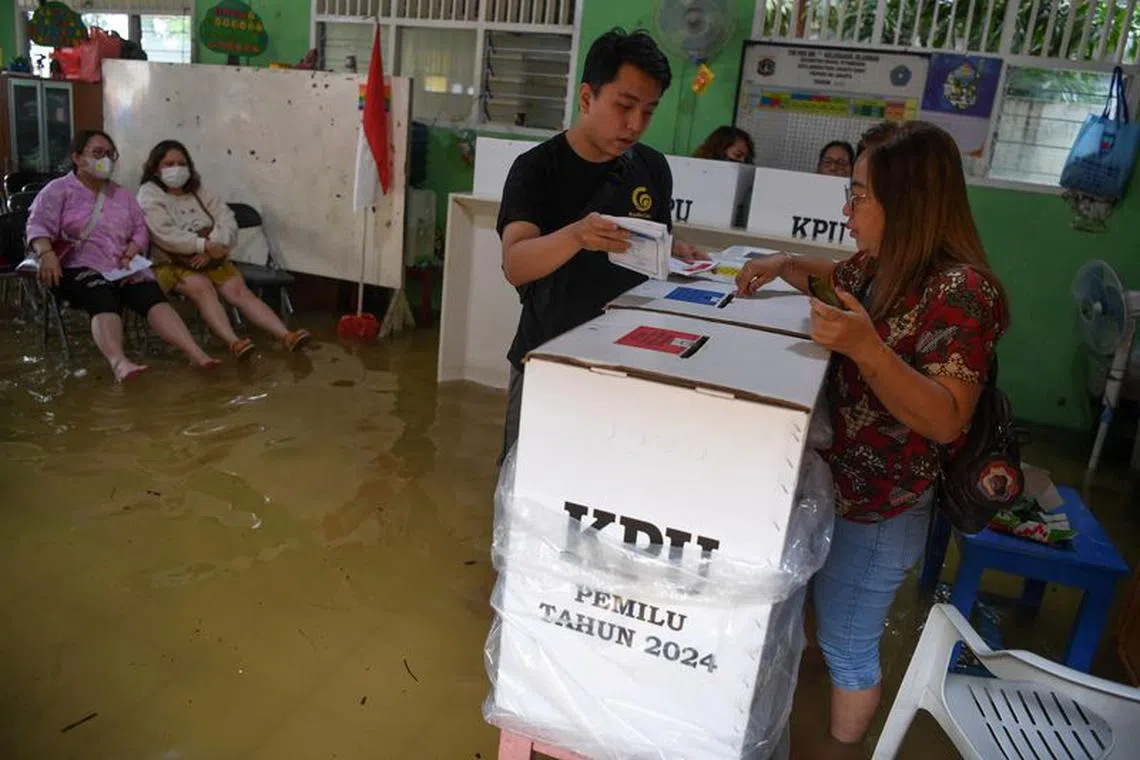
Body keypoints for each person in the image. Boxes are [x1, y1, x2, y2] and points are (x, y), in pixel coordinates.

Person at [736, 121, 1008, 752]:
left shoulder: (964, 292)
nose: (847, 208)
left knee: (849, 644)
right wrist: (781, 263)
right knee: (811, 616)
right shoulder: (883, 266)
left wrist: (868, 349)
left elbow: (945, 418)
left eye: (858, 195)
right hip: (835, 483)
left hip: (887, 500)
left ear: (907, 200)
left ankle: (841, 747)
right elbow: (832, 277)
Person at [495, 27, 704, 464]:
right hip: (550, 361)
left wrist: (677, 247)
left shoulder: (651, 166)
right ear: (587, 97)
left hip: (630, 363)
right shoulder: (536, 169)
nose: (635, 125)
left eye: (648, 111)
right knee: (526, 488)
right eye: (625, 106)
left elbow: (653, 235)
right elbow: (515, 263)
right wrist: (575, 235)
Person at [25, 130, 219, 382]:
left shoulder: (122, 194)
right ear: (77, 157)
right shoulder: (59, 190)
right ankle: (119, 363)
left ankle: (196, 354)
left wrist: (132, 250)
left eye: (110, 154)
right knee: (101, 295)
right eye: (97, 153)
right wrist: (46, 252)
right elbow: (37, 224)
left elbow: (140, 228)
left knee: (150, 294)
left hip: (120, 265)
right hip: (76, 266)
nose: (105, 159)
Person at [137, 140, 311, 359]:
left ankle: (286, 336)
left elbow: (227, 219)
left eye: (182, 163)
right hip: (173, 263)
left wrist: (212, 248)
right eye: (169, 164)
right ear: (155, 168)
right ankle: (235, 342)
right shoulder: (149, 193)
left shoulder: (198, 191)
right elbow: (164, 233)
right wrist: (203, 245)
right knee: (203, 288)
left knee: (238, 290)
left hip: (212, 257)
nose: (176, 169)